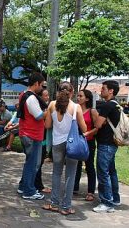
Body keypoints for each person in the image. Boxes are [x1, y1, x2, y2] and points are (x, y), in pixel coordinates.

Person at [43, 81, 87, 215]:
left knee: (56, 173)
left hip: (57, 143)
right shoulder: (76, 107)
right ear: (72, 92)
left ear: (58, 91)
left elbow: (47, 126)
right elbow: (84, 128)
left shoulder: (51, 105)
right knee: (70, 175)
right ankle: (66, 206)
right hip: (72, 144)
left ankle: (54, 203)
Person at [17, 72, 46, 200]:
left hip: (27, 133)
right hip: (32, 135)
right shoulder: (31, 98)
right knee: (33, 164)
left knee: (30, 162)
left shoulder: (24, 95)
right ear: (36, 84)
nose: (42, 88)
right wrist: (49, 110)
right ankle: (29, 191)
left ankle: (23, 186)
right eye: (42, 85)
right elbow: (39, 116)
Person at [93, 80, 121, 213]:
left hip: (105, 143)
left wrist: (96, 118)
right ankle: (115, 198)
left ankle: (107, 202)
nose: (101, 90)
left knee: (103, 173)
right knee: (111, 172)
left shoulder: (107, 105)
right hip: (113, 143)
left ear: (111, 91)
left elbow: (98, 124)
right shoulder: (116, 105)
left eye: (103, 88)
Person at [73, 89, 98, 201]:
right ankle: (74, 188)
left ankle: (91, 191)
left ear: (87, 98)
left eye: (81, 96)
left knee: (89, 166)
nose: (78, 98)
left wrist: (88, 133)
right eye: (77, 96)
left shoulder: (92, 111)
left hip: (89, 141)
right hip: (77, 141)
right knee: (76, 165)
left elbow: (97, 127)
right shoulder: (75, 110)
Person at [35, 88, 51, 193]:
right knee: (38, 163)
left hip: (44, 139)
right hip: (39, 138)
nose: (48, 98)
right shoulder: (40, 109)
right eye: (45, 95)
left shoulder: (45, 108)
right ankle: (38, 185)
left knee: (39, 162)